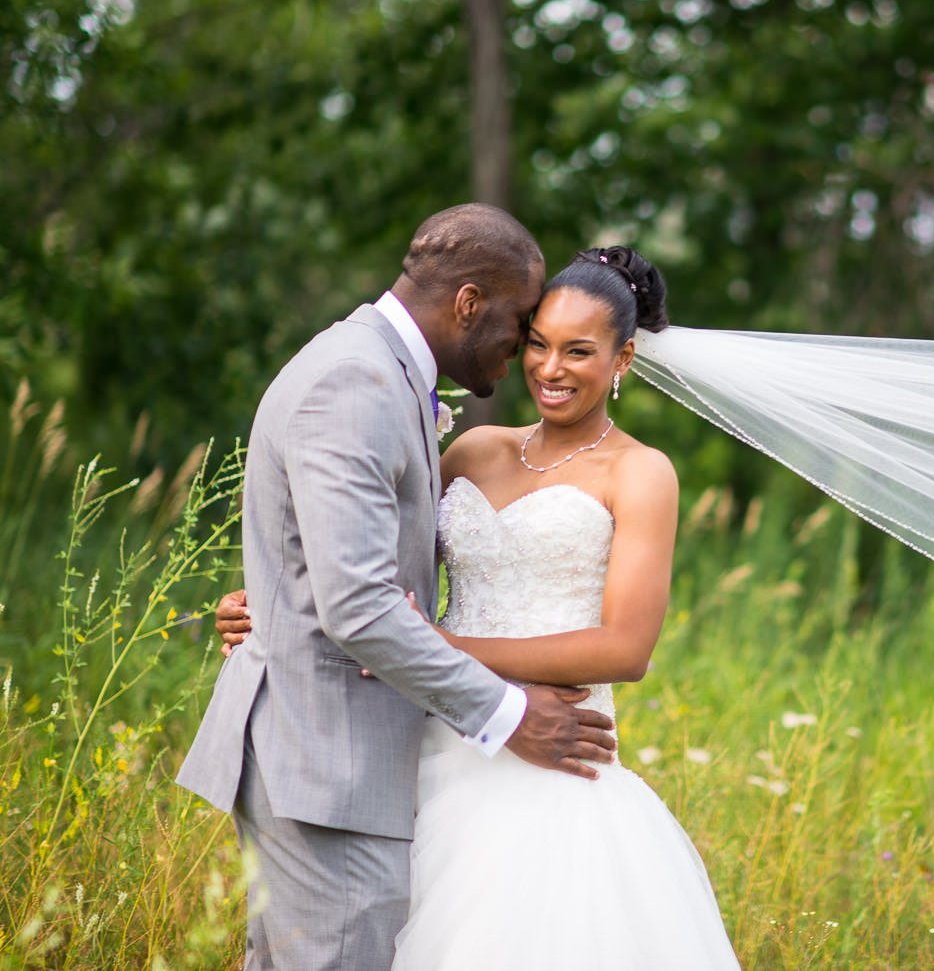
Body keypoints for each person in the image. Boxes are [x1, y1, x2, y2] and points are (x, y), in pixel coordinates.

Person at [212, 245, 742, 969]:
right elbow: (363, 575)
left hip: (551, 758)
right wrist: (268, 606)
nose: (550, 370)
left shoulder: (643, 473)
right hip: (424, 747)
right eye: (538, 344)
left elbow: (626, 648)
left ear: (622, 361)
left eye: (579, 352)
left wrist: (449, 648)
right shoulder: (471, 449)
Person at [178, 204, 619, 971]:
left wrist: (276, 605)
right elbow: (357, 604)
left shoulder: (382, 372)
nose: (524, 348)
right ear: (469, 303)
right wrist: (510, 713)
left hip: (352, 755)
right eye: (520, 323)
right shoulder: (357, 380)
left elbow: (330, 562)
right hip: (326, 760)